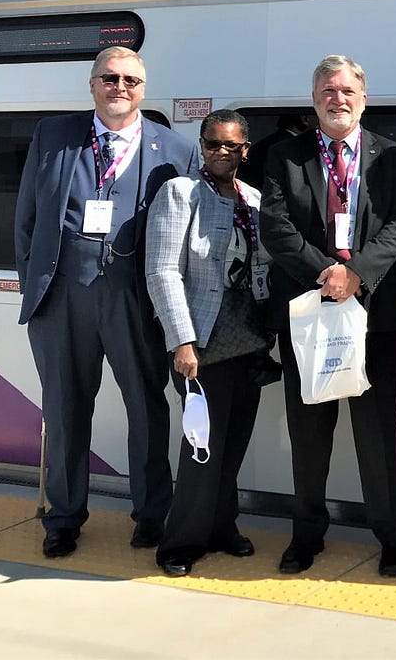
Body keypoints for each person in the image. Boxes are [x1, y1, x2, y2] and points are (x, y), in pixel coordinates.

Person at [14, 47, 198, 558]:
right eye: (110, 78)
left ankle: (151, 515)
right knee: (65, 410)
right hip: (62, 299)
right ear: (92, 84)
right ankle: (63, 517)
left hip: (135, 299)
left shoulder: (176, 150)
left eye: (131, 80)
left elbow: (184, 238)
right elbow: (26, 217)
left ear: (144, 89)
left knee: (147, 408)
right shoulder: (53, 137)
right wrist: (34, 283)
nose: (120, 87)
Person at [259, 55, 396, 578]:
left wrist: (356, 274)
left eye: (347, 90)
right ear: (314, 99)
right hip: (310, 313)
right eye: (328, 90)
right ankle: (306, 536)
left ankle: (393, 538)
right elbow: (276, 227)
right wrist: (328, 272)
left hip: (374, 314)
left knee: (378, 432)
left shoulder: (393, 157)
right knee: (308, 433)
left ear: (363, 99)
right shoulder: (284, 156)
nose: (338, 98)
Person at [145, 109, 274, 577]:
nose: (220, 152)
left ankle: (222, 527)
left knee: (233, 442)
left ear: (245, 150)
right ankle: (181, 542)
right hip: (202, 343)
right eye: (211, 143)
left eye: (230, 145)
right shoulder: (180, 192)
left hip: (248, 338)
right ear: (201, 146)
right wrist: (182, 341)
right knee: (202, 446)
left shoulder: (254, 198)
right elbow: (162, 270)